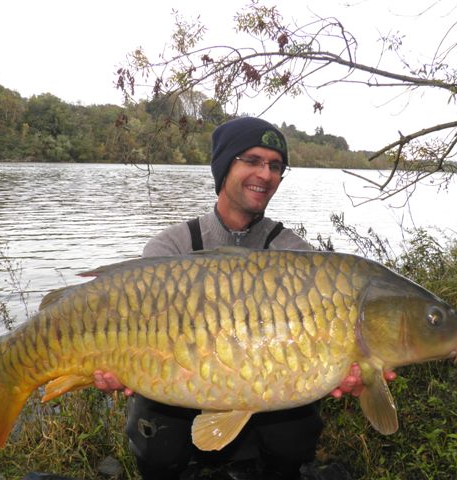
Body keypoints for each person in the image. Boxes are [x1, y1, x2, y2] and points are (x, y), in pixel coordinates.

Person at [93, 117, 387, 479]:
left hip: (266, 401)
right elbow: (127, 331)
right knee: (156, 444)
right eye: (251, 160)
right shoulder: (170, 248)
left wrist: (345, 369)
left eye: (275, 165)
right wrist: (112, 366)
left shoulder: (295, 255)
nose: (265, 174)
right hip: (180, 390)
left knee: (295, 436)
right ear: (223, 167)